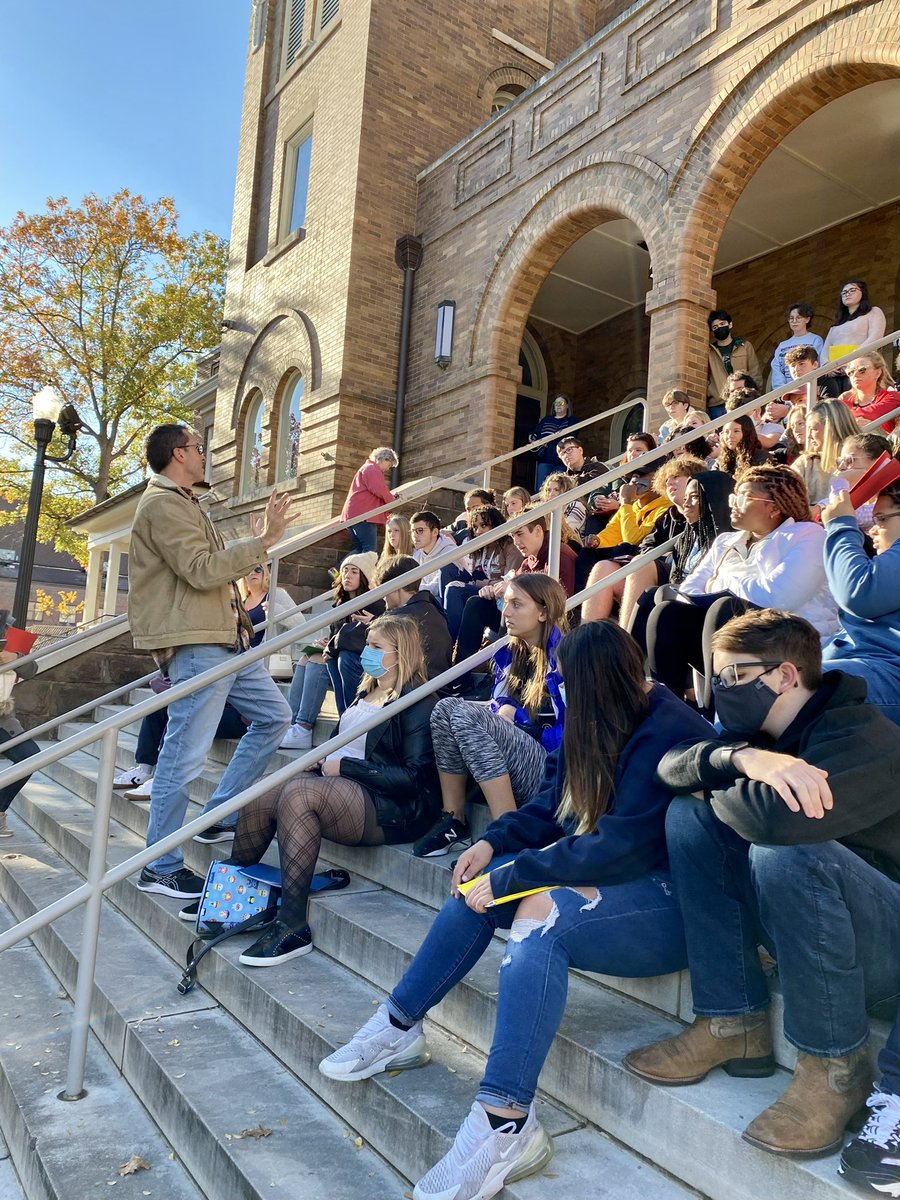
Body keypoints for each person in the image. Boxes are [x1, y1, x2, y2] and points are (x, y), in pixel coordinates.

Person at [318, 620, 713, 1200]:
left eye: (570, 684)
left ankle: (506, 1121)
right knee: (482, 886)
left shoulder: (670, 728)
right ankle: (398, 1026)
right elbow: (555, 803)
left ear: (600, 681)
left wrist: (518, 872)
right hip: (615, 880)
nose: (563, 695)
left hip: (670, 902)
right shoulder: (598, 707)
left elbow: (621, 844)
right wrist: (494, 842)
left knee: (539, 912)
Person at [625, 608, 900, 1160]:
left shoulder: (865, 736)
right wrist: (742, 758)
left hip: (885, 945)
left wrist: (723, 785)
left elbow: (778, 823)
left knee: (782, 854)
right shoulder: (759, 735)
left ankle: (835, 1069)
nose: (721, 691)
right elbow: (671, 766)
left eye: (733, 677)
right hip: (817, 928)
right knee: (688, 816)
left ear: (785, 676)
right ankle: (733, 1022)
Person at [127, 424, 293, 900]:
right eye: (199, 448)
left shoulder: (184, 501)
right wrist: (262, 541)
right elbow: (201, 570)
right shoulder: (162, 504)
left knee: (275, 716)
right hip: (198, 645)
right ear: (179, 454)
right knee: (182, 757)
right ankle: (160, 865)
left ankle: (216, 814)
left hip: (224, 641)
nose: (205, 455)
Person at [218, 614, 441, 966]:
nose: (366, 652)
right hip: (342, 788)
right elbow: (340, 747)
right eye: (367, 644)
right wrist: (318, 761)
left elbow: (413, 778)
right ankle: (229, 897)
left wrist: (346, 767)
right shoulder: (366, 691)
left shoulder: (418, 700)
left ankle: (292, 926)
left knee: (298, 795)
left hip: (390, 805)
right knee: (265, 787)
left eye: (375, 646)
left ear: (400, 653)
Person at [646, 465, 838, 703]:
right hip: (730, 632)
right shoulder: (726, 541)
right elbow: (689, 589)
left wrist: (718, 583)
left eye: (744, 497)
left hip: (788, 641)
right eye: (733, 496)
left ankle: (713, 712)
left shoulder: (808, 536)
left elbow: (775, 598)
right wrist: (726, 588)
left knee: (724, 608)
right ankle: (659, 704)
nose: (733, 504)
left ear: (775, 507)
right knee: (664, 608)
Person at [413, 574, 568, 858]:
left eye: (517, 605)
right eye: (506, 603)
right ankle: (454, 819)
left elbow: (563, 728)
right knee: (444, 709)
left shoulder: (567, 657)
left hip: (553, 773)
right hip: (519, 756)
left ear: (544, 611)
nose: (506, 612)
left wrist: (514, 714)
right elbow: (500, 704)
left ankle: (505, 831)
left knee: (466, 715)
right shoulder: (511, 653)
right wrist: (504, 709)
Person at [452, 513, 576, 693]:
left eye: (520, 534)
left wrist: (510, 592)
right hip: (528, 614)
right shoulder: (528, 561)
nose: (516, 542)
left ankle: (501, 677)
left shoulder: (559, 554)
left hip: (548, 620)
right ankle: (461, 679)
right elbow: (512, 587)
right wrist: (494, 590)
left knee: (509, 611)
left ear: (538, 531)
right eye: (512, 536)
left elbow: (559, 600)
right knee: (476, 604)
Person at [623, 470, 734, 651]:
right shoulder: (687, 538)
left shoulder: (729, 540)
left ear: (714, 500)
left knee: (664, 607)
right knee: (652, 595)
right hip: (682, 602)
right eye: (686, 497)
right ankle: (625, 653)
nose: (686, 503)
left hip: (710, 612)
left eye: (695, 497)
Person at [821, 479, 900, 726]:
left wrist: (840, 525)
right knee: (749, 675)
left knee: (776, 684)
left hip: (889, 676)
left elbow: (856, 592)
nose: (872, 530)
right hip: (868, 669)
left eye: (882, 519)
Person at [116, 678, 249, 800]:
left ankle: (162, 780)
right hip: (209, 706)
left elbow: (211, 692)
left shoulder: (229, 656)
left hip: (237, 715)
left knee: (183, 710)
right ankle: (144, 770)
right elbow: (162, 682)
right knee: (159, 706)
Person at [578, 463, 672, 615]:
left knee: (623, 548)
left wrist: (626, 503)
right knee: (588, 552)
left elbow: (633, 539)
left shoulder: (665, 506)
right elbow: (612, 532)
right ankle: (578, 610)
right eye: (633, 477)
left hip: (648, 562)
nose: (635, 482)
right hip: (625, 560)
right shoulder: (632, 507)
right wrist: (597, 541)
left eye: (642, 476)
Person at [440, 506, 521, 641]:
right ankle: (446, 631)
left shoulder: (510, 546)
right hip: (482, 591)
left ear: (496, 525)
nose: (479, 531)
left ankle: (449, 642)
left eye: (484, 525)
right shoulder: (479, 548)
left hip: (499, 598)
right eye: (475, 527)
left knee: (455, 590)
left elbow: (509, 583)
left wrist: (479, 583)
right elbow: (475, 575)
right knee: (446, 570)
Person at [322, 552, 386, 716]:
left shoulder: (374, 603)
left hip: (366, 660)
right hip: (342, 657)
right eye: (345, 570)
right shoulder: (340, 605)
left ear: (364, 577)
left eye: (354, 572)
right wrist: (326, 644)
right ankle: (343, 716)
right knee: (320, 659)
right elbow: (335, 638)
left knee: (344, 657)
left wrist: (333, 645)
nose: (347, 576)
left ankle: (354, 714)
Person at [373, 555, 453, 682]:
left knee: (349, 658)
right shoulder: (433, 609)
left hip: (415, 687)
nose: (382, 596)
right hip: (436, 685)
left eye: (383, 588)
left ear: (394, 586)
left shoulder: (400, 617)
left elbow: (366, 641)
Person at [0, 615, 40, 839]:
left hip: (2, 718)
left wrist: (13, 657)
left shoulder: (6, 633)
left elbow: (31, 669)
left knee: (29, 756)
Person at [790, 399, 859, 513]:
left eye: (813, 430)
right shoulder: (805, 462)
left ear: (831, 428)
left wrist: (819, 507)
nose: (809, 437)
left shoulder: (862, 458)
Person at [821, 280, 886, 386]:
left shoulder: (873, 312)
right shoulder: (836, 326)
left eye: (852, 290)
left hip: (860, 367)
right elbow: (825, 349)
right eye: (844, 292)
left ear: (863, 292)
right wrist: (827, 366)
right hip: (835, 373)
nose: (847, 294)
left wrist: (851, 360)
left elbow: (875, 337)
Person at [340, 447, 399, 554]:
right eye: (389, 465)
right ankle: (340, 569)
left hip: (354, 515)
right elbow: (380, 489)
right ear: (384, 459)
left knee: (359, 549)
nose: (388, 469)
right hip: (364, 516)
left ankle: (337, 570)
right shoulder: (372, 469)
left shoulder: (366, 468)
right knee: (369, 550)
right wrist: (392, 499)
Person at [707, 310, 761, 418]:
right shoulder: (709, 352)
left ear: (730, 324)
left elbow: (755, 372)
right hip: (719, 404)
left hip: (745, 399)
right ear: (712, 332)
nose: (719, 328)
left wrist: (755, 395)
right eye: (715, 327)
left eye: (722, 324)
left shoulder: (744, 346)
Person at [840, 352, 899, 433]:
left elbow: (872, 413)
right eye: (851, 371)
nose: (855, 374)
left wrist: (838, 414)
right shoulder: (844, 402)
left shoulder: (892, 397)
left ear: (878, 373)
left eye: (862, 370)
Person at [770, 302, 824, 387]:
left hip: (810, 387)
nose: (794, 321)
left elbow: (818, 363)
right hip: (786, 391)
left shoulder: (816, 340)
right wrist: (781, 391)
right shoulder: (782, 346)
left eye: (798, 317)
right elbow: (777, 369)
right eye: (791, 318)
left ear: (807, 319)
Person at [528, 394, 577, 489]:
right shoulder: (547, 420)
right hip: (545, 459)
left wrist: (549, 441)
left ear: (567, 405)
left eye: (561, 403)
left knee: (559, 488)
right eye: (556, 403)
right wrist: (533, 437)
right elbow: (535, 433)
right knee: (541, 488)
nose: (558, 405)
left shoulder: (572, 421)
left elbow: (570, 437)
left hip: (561, 460)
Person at [410, 510, 457, 601]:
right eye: (412, 531)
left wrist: (410, 590)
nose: (414, 536)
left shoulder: (450, 552)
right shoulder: (417, 555)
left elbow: (437, 588)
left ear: (435, 532)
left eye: (420, 531)